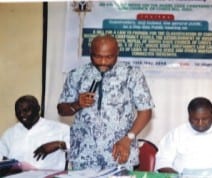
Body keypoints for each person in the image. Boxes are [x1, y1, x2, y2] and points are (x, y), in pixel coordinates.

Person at [57, 34, 154, 170]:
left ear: (117, 53)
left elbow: (146, 112)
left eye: (109, 57)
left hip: (120, 153)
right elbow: (62, 110)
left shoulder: (132, 74)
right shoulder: (76, 74)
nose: (102, 62)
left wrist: (128, 139)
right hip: (84, 155)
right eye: (97, 56)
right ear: (90, 53)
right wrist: (77, 104)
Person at [155, 97, 212, 175]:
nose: (200, 123)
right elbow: (163, 162)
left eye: (205, 119)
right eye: (195, 119)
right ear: (189, 116)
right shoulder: (176, 134)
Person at [0, 95, 70, 171]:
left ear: (38, 109)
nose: (22, 115)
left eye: (26, 110)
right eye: (18, 112)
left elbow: (77, 149)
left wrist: (58, 144)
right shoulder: (9, 134)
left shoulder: (60, 129)